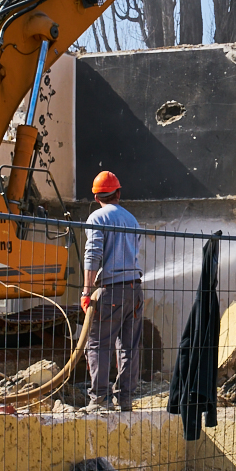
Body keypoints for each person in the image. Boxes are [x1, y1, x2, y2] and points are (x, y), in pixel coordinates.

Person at [81, 170, 143, 412]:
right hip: (135, 290)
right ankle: (125, 398)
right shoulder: (132, 220)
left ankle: (100, 399)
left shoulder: (97, 218)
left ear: (96, 197)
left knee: (99, 343)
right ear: (118, 193)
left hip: (112, 291)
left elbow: (93, 254)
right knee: (129, 346)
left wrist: (87, 291)